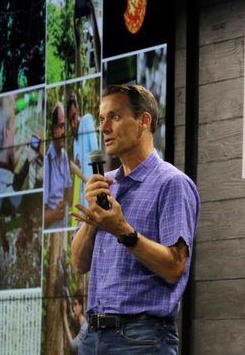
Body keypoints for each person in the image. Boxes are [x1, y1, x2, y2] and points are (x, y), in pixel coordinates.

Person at [71, 84, 199, 355]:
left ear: (144, 121)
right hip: (92, 337)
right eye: (101, 118)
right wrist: (93, 221)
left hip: (141, 339)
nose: (104, 127)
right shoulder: (105, 186)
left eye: (114, 117)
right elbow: (78, 263)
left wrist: (123, 230)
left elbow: (175, 266)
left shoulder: (171, 183)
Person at [67, 91, 99, 207]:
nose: (73, 124)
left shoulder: (86, 120)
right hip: (82, 193)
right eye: (70, 120)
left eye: (74, 117)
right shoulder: (74, 138)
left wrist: (99, 182)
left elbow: (95, 151)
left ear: (78, 111)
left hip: (93, 186)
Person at [44, 101, 73, 229]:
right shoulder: (46, 161)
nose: (64, 132)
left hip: (64, 229)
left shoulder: (65, 155)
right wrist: (54, 214)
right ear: (54, 129)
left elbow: (68, 194)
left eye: (65, 126)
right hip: (51, 232)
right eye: (61, 126)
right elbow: (38, 215)